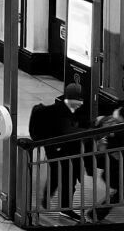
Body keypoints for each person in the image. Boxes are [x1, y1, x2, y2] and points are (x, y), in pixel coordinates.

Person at [28, 83, 89, 216]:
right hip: (56, 149)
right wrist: (88, 132)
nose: (80, 103)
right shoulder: (57, 111)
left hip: (67, 150)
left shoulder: (75, 110)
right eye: (78, 100)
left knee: (62, 176)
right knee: (65, 176)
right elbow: (66, 131)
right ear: (70, 99)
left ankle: (52, 199)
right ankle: (63, 206)